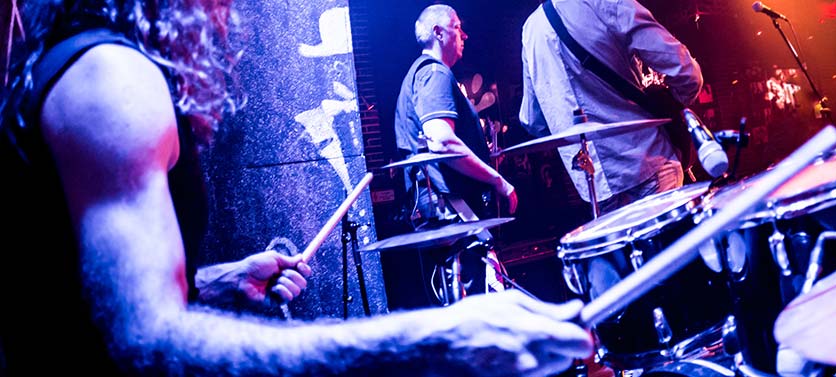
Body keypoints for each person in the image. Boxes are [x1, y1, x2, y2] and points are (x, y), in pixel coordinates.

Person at [0, 1, 591, 375]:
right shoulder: (111, 77)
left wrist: (213, 282)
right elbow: (145, 343)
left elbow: (72, 301)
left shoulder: (72, 61)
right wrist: (434, 343)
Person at [519, 0, 703, 214]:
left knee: (620, 248)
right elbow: (686, 73)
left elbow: (532, 120)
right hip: (646, 161)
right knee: (669, 245)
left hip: (594, 184)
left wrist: (569, 132)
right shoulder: (606, 3)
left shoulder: (530, 30)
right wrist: (670, 104)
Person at [393, 4, 519, 301]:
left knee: (462, 301)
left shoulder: (418, 75)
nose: (464, 34)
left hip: (439, 204)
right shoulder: (435, 74)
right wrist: (498, 181)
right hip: (452, 206)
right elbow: (441, 141)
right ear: (438, 32)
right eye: (457, 27)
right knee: (478, 301)